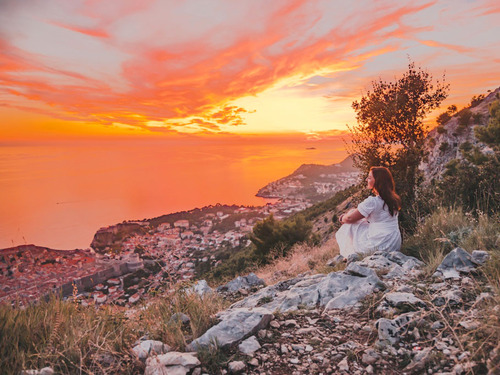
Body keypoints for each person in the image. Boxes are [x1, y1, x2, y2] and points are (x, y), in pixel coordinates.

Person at [335, 166, 402, 257]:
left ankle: (350, 253)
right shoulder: (393, 198)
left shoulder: (373, 201)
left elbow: (350, 218)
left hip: (380, 243)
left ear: (377, 181)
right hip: (393, 242)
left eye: (369, 177)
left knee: (349, 224)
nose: (366, 179)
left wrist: (342, 217)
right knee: (358, 218)